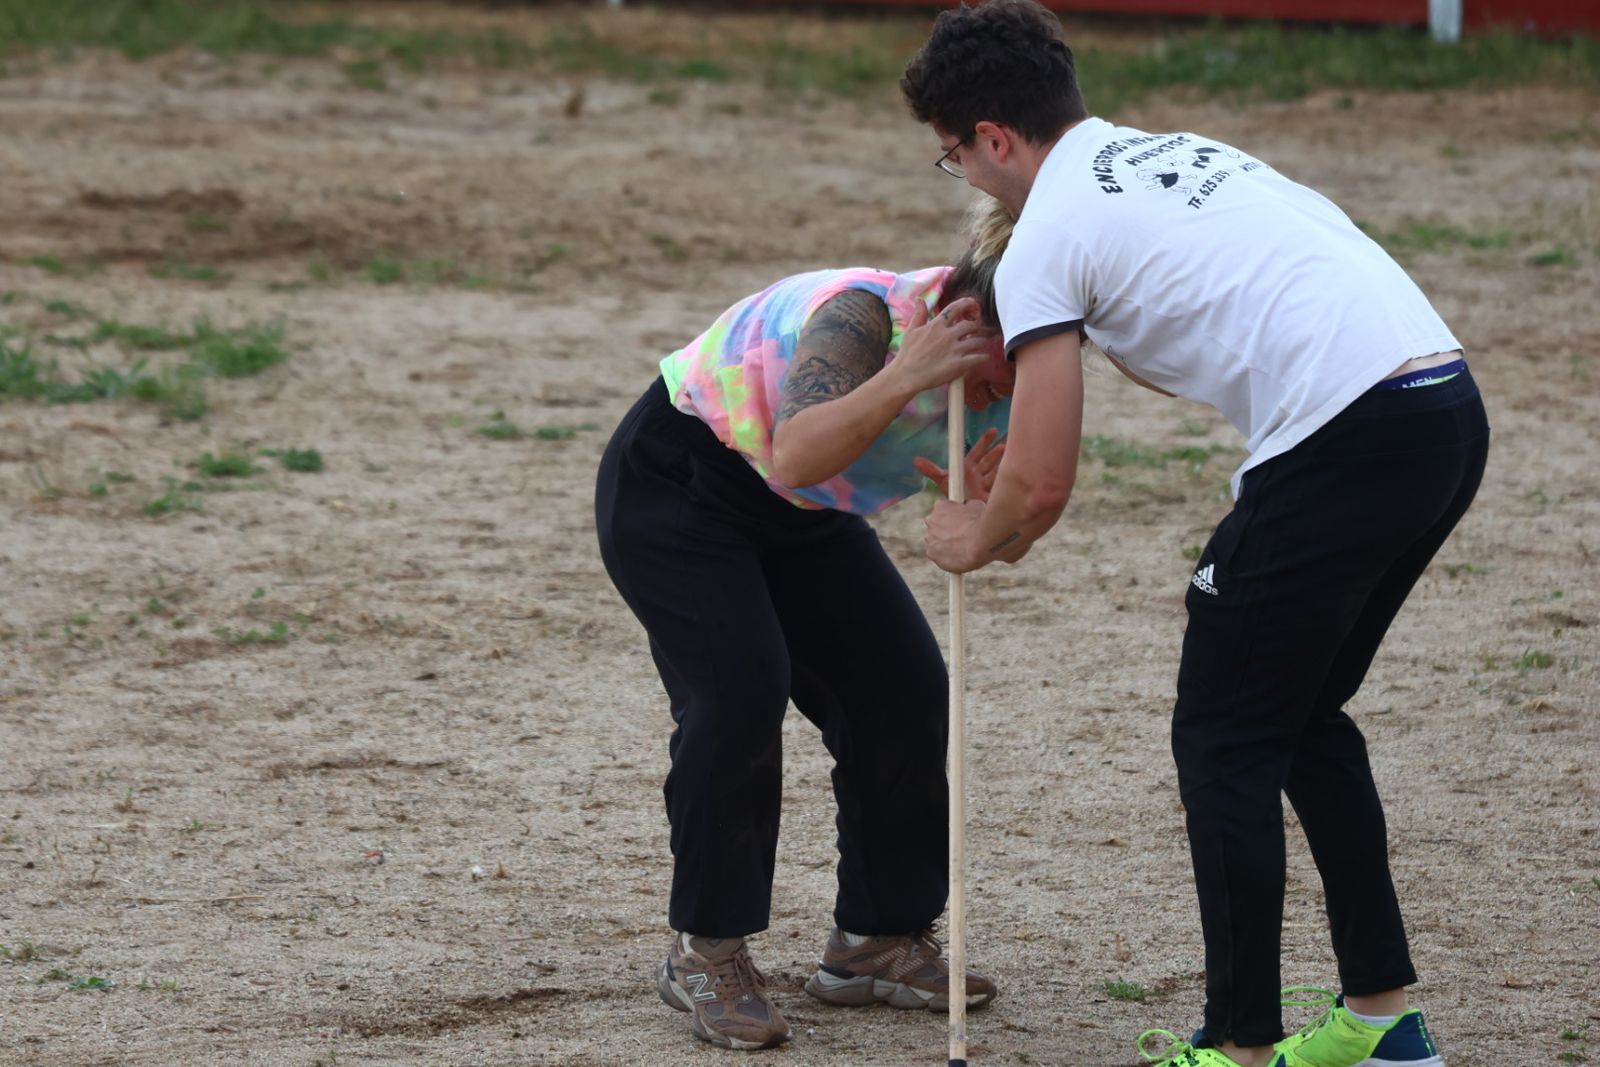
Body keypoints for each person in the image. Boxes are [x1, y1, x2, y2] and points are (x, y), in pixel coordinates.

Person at [900, 4, 1488, 1067]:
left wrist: (968, 532)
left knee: (1222, 738)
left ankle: (1237, 1046)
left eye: (954, 158)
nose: (967, 181)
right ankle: (1381, 1021)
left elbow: (1038, 485)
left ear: (991, 135)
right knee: (1301, 713)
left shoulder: (1049, 240)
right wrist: (1008, 510)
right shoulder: (1165, 155)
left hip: (1344, 438)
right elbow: (1111, 390)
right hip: (1441, 408)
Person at [594, 198, 1016, 1050]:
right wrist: (910, 377)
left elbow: (1008, 519)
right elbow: (794, 452)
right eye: (1013, 359)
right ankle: (705, 950)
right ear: (972, 318)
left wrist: (980, 516)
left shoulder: (1039, 355)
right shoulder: (865, 318)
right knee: (740, 690)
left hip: (805, 513)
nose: (1023, 381)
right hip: (682, 483)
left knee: (901, 687)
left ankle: (876, 940)